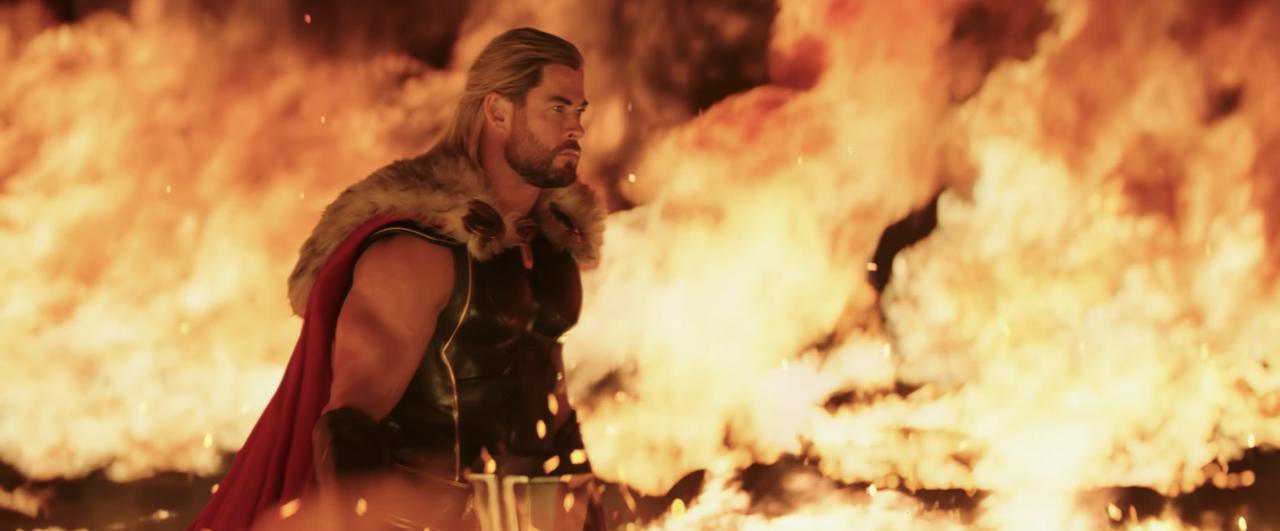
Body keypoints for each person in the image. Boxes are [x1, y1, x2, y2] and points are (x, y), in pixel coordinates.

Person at [188, 27, 605, 530]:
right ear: (498, 111)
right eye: (557, 108)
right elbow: (349, 431)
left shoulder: (551, 250)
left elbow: (551, 410)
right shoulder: (417, 253)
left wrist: (590, 511)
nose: (576, 127)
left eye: (579, 111)